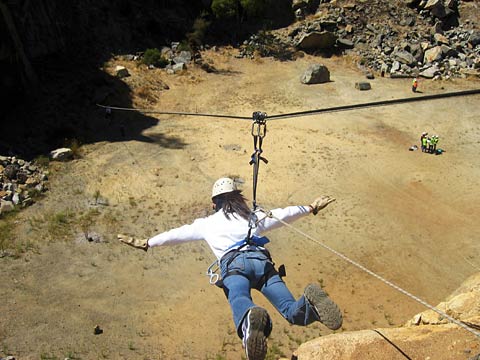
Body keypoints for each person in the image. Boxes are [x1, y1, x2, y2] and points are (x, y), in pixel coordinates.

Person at [118, 177, 343, 360]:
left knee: (239, 299)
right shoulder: (253, 217)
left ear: (214, 202)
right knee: (290, 310)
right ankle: (309, 303)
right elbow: (284, 214)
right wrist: (311, 207)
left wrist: (148, 242)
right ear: (237, 198)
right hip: (262, 263)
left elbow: (177, 234)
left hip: (235, 267)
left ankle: (249, 317)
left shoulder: (206, 224)